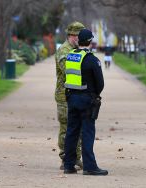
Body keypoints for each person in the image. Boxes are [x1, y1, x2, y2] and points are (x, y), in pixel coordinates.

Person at [63, 29, 107, 176]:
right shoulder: (92, 59)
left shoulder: (70, 56)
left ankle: (68, 165)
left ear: (78, 41)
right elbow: (100, 83)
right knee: (87, 132)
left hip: (72, 98)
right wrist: (95, 95)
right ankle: (90, 167)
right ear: (89, 41)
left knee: (71, 132)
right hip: (87, 99)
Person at [55, 21, 85, 170]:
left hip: (76, 94)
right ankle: (65, 157)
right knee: (66, 128)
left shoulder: (77, 50)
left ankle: (76, 157)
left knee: (77, 127)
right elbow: (69, 70)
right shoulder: (64, 51)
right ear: (72, 36)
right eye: (79, 37)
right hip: (64, 95)